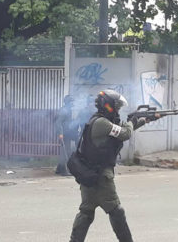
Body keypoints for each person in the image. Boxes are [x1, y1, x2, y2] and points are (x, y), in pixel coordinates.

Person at [69, 90, 159, 242]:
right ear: (108, 106)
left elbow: (123, 127)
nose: (117, 110)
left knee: (86, 212)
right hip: (101, 178)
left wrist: (143, 120)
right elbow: (125, 133)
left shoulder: (99, 120)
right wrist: (132, 121)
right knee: (116, 212)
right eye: (116, 107)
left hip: (90, 175)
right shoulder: (101, 123)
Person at [55, 95, 79, 176]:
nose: (73, 103)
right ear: (68, 102)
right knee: (65, 151)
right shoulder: (64, 111)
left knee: (65, 151)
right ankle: (64, 171)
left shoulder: (68, 110)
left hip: (67, 133)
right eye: (71, 101)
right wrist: (60, 134)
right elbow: (58, 123)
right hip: (63, 134)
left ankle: (59, 169)